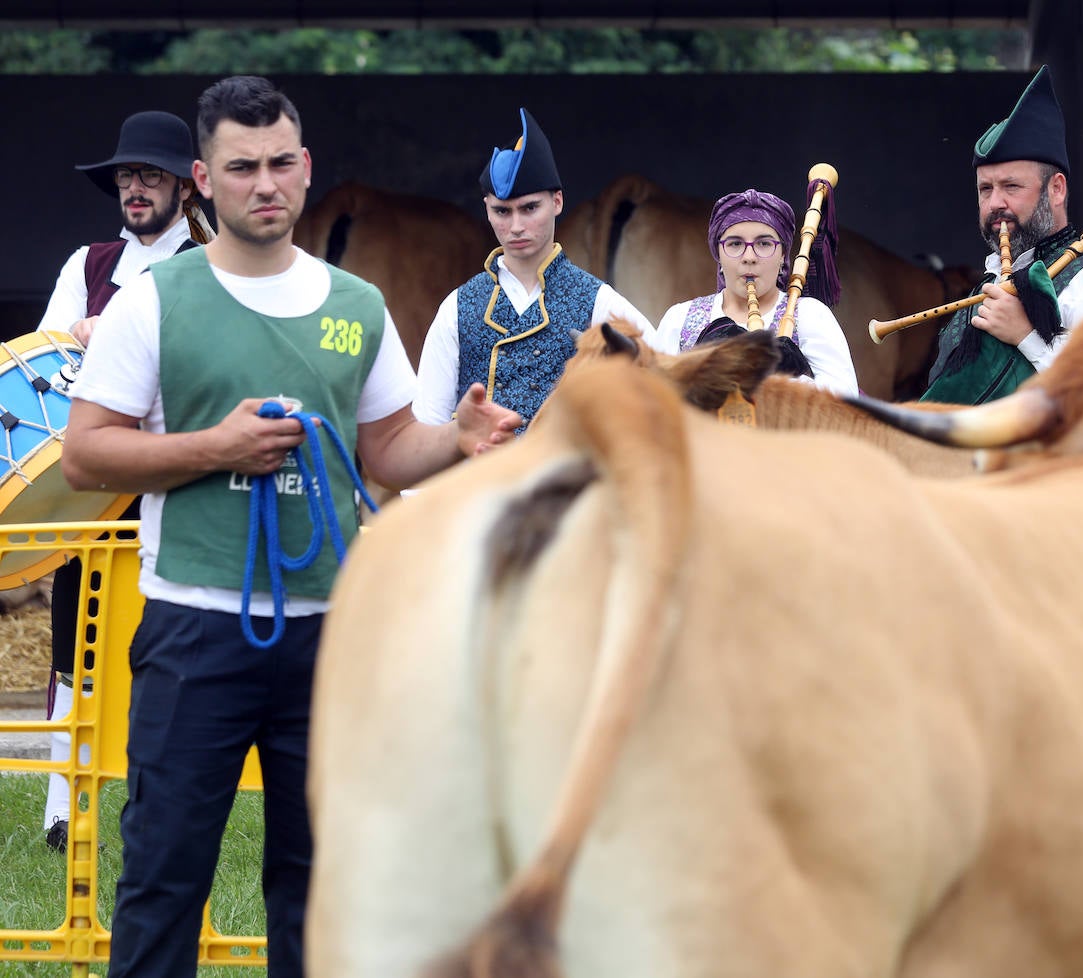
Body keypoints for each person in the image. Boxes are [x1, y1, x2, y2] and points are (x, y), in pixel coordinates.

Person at [61, 75, 521, 978]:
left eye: (279, 163)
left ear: (306, 169)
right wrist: (215, 447)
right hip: (192, 629)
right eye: (241, 168)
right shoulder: (154, 301)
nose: (264, 183)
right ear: (203, 179)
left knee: (319, 883)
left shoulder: (357, 303)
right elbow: (86, 454)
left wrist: (459, 441)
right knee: (163, 875)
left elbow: (386, 448)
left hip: (329, 633)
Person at [35, 109, 214, 854]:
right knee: (74, 641)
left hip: (173, 484)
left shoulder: (215, 266)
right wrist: (74, 336)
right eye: (125, 178)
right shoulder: (87, 263)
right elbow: (45, 361)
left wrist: (104, 335)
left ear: (183, 186)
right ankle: (59, 807)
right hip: (91, 481)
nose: (134, 190)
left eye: (150, 177)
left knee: (166, 645)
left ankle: (156, 800)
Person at [413, 107, 655, 430]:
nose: (515, 226)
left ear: (557, 202)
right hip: (477, 478)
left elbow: (665, 380)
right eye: (502, 211)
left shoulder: (601, 303)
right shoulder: (457, 309)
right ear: (487, 210)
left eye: (529, 208)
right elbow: (427, 425)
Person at [923, 66, 1083, 405]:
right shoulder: (987, 284)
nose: (995, 204)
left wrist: (1028, 337)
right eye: (985, 189)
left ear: (1057, 189)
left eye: (1011, 186)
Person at [649, 187, 860, 396]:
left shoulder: (810, 315)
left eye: (764, 243)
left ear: (782, 256)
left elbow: (847, 403)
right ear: (718, 255)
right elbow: (653, 403)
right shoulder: (679, 318)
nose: (749, 256)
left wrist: (789, 379)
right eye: (735, 244)